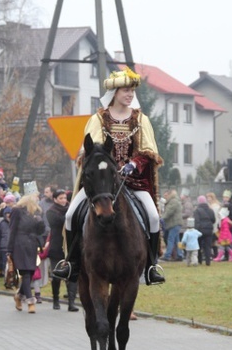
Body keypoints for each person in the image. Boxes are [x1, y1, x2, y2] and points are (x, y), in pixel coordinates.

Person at [52, 67, 165, 285]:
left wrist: (134, 164)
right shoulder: (98, 119)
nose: (130, 95)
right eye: (125, 90)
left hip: (132, 181)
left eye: (132, 91)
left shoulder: (141, 120)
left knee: (152, 216)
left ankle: (151, 266)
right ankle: (72, 262)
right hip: (103, 182)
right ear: (114, 93)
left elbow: (148, 151)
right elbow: (90, 151)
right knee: (70, 215)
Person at [8, 192, 46, 313]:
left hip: (32, 245)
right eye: (36, 198)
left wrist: (40, 222)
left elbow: (40, 231)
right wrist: (9, 249)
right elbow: (12, 230)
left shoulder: (36, 212)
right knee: (25, 272)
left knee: (30, 271)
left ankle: (19, 296)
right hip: (20, 244)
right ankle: (30, 301)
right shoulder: (17, 211)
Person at [46, 189, 78, 311]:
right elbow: (58, 222)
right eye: (61, 198)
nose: (64, 200)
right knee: (56, 275)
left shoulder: (71, 208)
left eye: (65, 198)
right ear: (55, 199)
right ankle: (55, 299)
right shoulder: (51, 211)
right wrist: (70, 214)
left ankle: (71, 302)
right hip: (57, 246)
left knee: (72, 275)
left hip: (70, 246)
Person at [160, 189, 184, 262]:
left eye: (166, 195)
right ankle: (180, 255)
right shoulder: (175, 201)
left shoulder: (173, 201)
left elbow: (169, 212)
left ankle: (167, 255)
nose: (165, 197)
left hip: (174, 223)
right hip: (176, 223)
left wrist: (161, 218)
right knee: (177, 240)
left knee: (170, 239)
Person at [193, 195, 216, 266]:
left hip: (200, 230)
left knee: (199, 246)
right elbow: (213, 220)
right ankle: (208, 262)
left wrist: (196, 230)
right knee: (208, 246)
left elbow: (196, 221)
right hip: (209, 230)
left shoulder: (197, 210)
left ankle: (200, 260)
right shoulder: (210, 210)